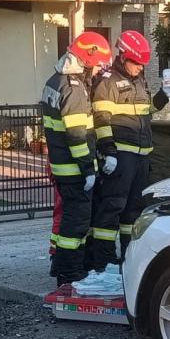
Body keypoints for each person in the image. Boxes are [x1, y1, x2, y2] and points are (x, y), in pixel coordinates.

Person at [87, 30, 165, 270]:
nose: (141, 68)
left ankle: (128, 260)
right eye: (137, 63)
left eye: (143, 64)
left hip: (141, 155)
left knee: (134, 211)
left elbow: (146, 111)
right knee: (112, 207)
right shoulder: (107, 81)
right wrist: (109, 152)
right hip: (120, 156)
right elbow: (101, 119)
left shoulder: (139, 80)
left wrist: (163, 96)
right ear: (123, 57)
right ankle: (103, 262)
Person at [40, 31, 112, 286]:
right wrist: (88, 169)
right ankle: (70, 273)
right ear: (87, 59)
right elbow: (77, 135)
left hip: (62, 166)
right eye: (98, 65)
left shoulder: (54, 81)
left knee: (71, 221)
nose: (99, 71)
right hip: (74, 170)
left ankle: (67, 267)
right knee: (76, 224)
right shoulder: (74, 89)